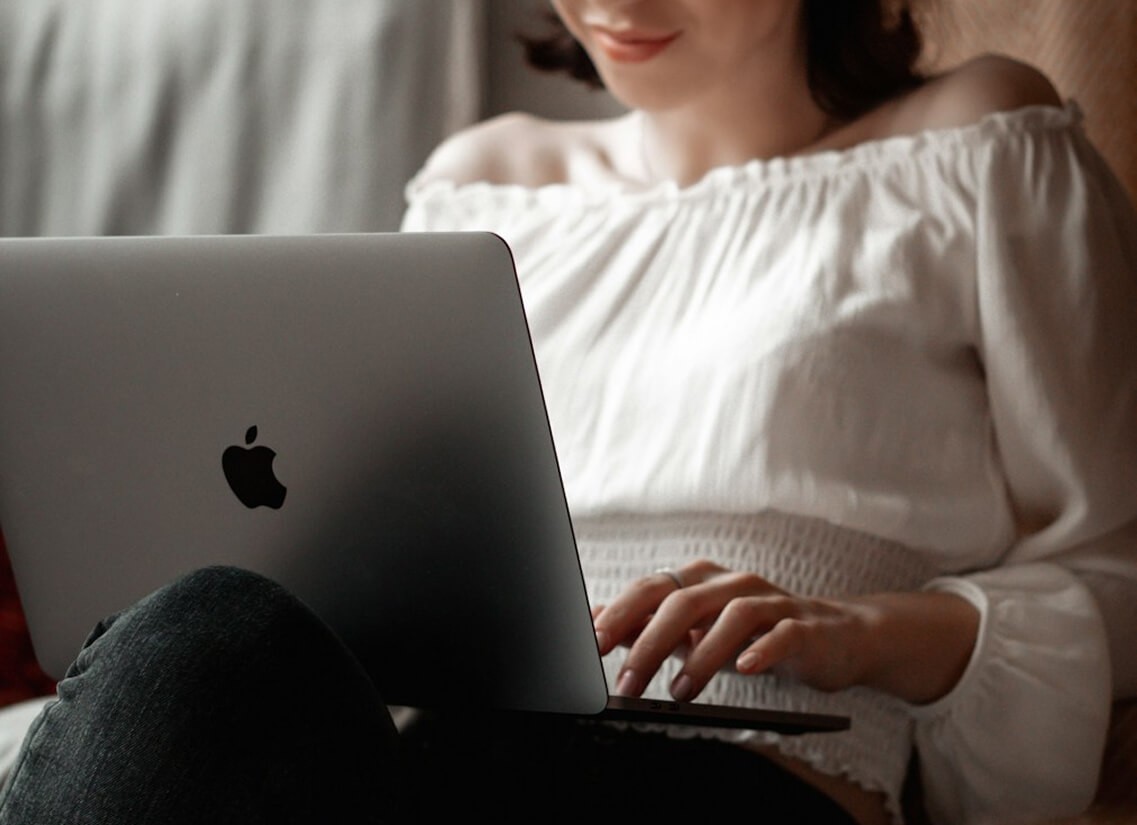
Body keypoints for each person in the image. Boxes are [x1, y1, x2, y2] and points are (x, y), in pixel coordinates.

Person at [1, 1, 1135, 823]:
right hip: (429, 757)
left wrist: (867, 631)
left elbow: (1117, 573)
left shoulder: (982, 144)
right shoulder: (485, 181)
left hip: (731, 779)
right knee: (203, 633)